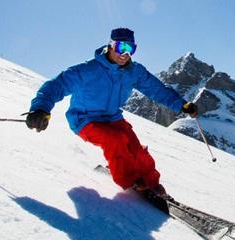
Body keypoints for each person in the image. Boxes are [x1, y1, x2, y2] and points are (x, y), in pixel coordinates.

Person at [24, 27, 198, 196]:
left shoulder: (133, 72)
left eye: (131, 49)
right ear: (110, 45)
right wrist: (40, 108)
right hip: (85, 119)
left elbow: (157, 89)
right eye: (121, 47)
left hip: (113, 118)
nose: (125, 54)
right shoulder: (88, 70)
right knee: (115, 140)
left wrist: (181, 105)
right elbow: (57, 85)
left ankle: (152, 184)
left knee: (135, 149)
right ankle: (131, 181)